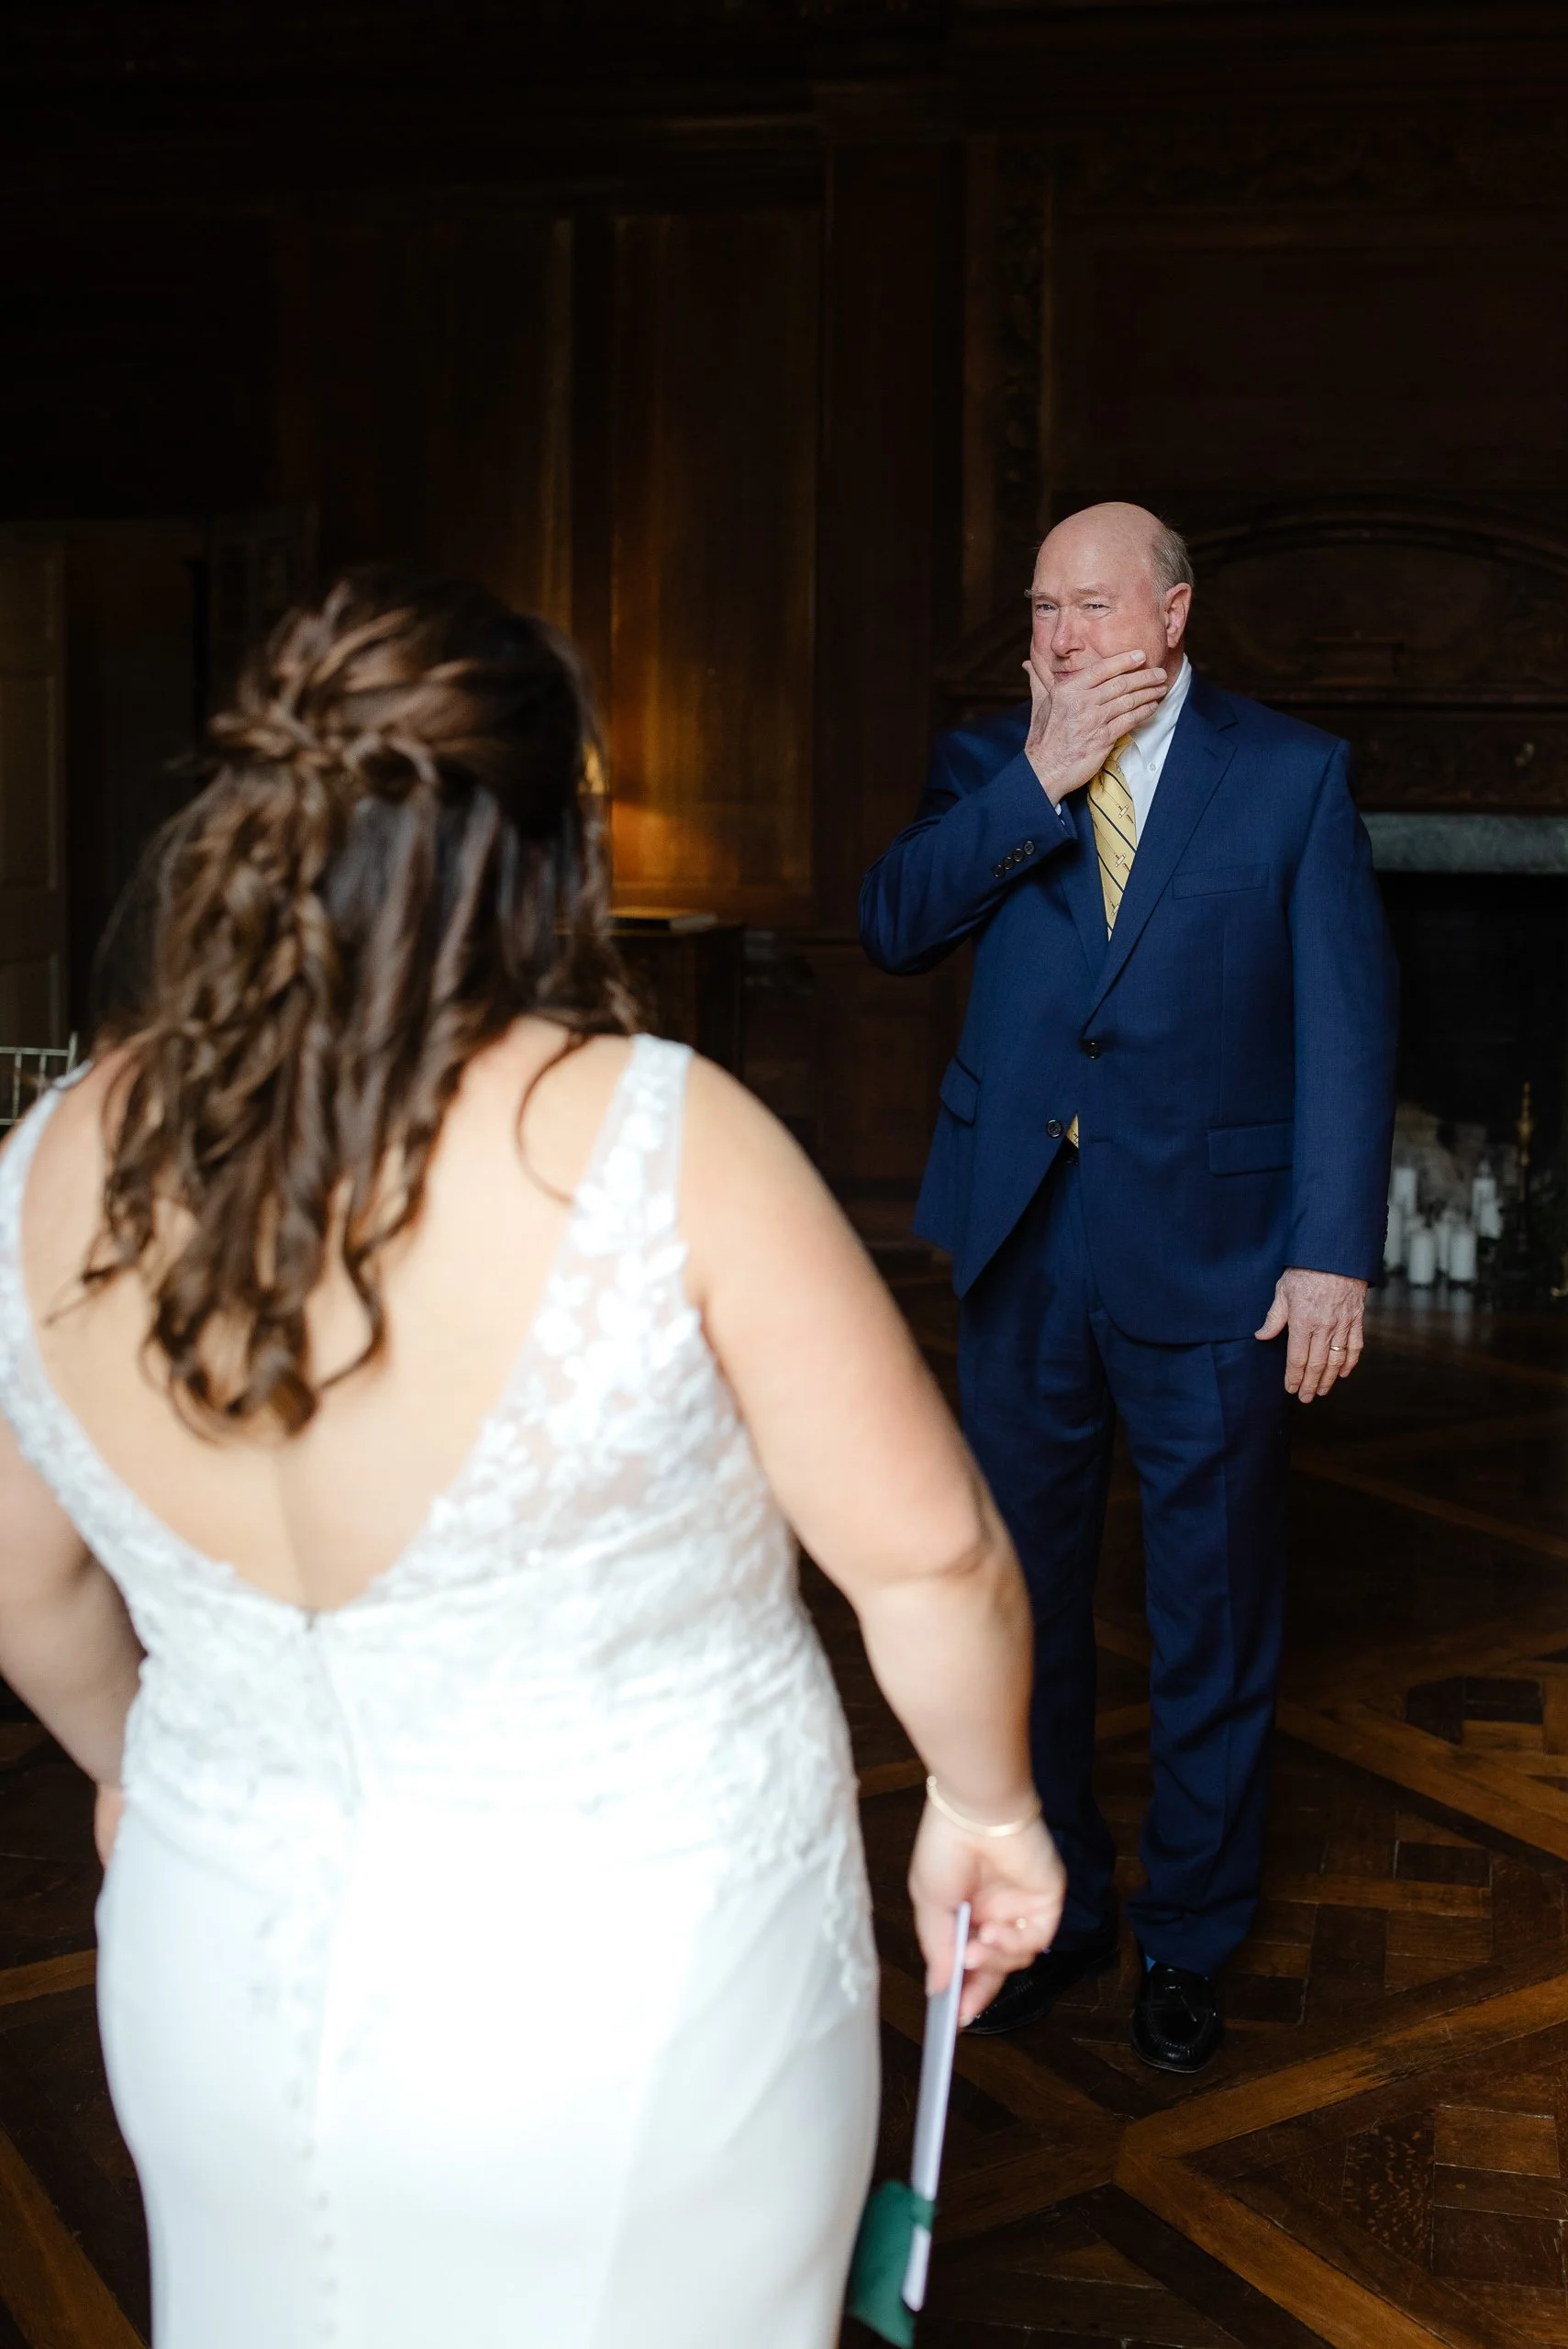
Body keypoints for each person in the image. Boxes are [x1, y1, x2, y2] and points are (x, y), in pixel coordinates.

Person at [0, 572, 1063, 2348]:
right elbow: (932, 1554)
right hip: (627, 1990)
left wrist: (156, 1768)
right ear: (544, 843)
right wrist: (987, 1803)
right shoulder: (654, 1133)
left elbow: (28, 1595)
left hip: (220, 1955)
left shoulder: (49, 1154)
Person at [859, 502, 1396, 2074]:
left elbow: (1346, 1027)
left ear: (1171, 618)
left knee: (1212, 1613)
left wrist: (1332, 1251)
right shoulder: (984, 771)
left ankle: (1191, 1935)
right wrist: (1038, 777)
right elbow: (895, 924)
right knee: (1018, 1605)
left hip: (1222, 1258)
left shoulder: (1291, 777)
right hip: (1025, 1238)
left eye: (1090, 606)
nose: (1059, 636)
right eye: (1040, 608)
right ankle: (1066, 1907)